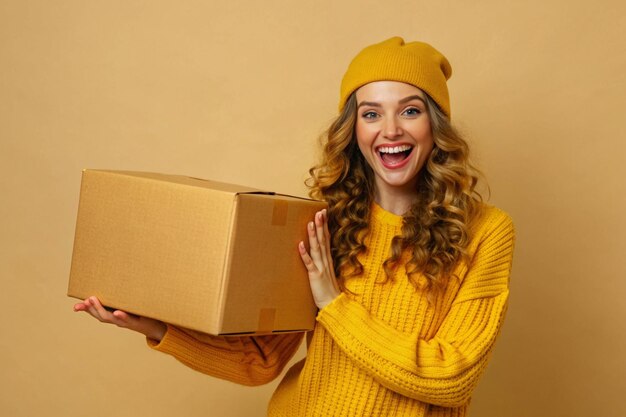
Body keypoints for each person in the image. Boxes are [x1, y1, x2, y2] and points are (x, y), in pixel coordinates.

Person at [74, 37, 515, 416]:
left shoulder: (484, 232)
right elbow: (259, 361)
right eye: (372, 113)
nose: (391, 130)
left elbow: (452, 377)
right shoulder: (322, 223)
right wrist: (153, 326)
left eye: (411, 110)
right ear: (353, 129)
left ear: (435, 126)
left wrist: (334, 304)